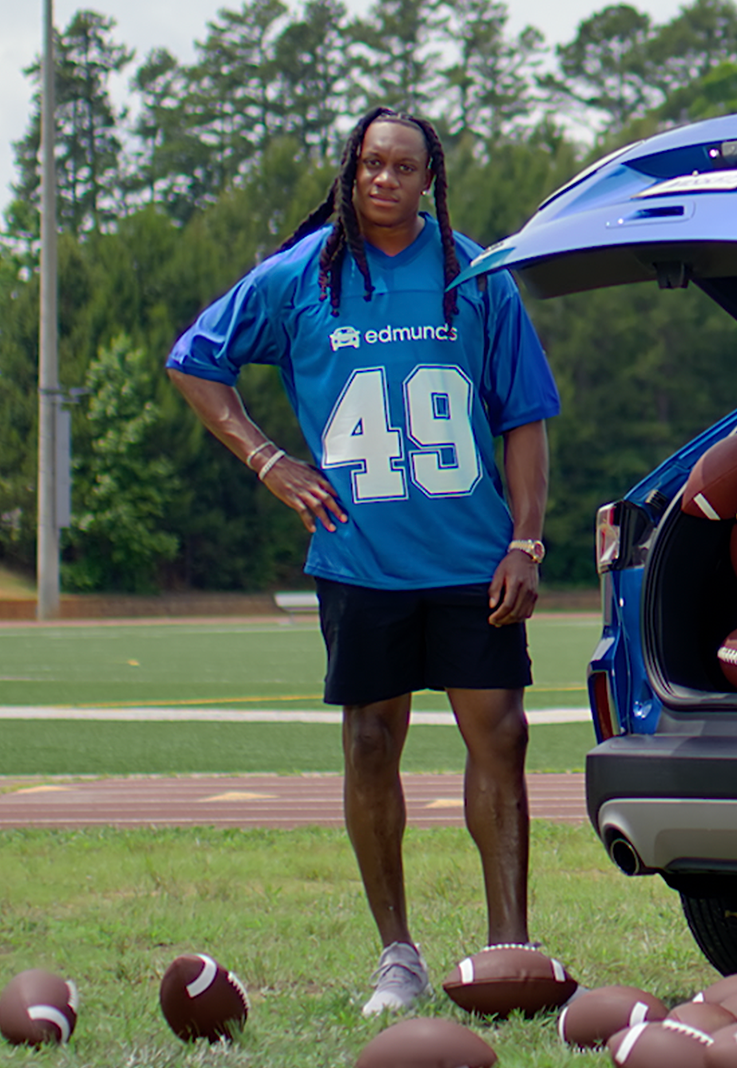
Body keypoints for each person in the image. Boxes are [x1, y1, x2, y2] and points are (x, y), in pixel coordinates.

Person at [165, 107, 559, 1017]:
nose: (384, 178)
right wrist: (269, 460)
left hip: (471, 556)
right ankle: (398, 954)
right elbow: (196, 361)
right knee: (370, 744)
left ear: (431, 179)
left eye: (403, 166)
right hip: (360, 555)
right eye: (370, 162)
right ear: (351, 170)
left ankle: (508, 945)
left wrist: (527, 541)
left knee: (500, 737)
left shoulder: (476, 272)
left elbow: (524, 416)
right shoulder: (303, 275)